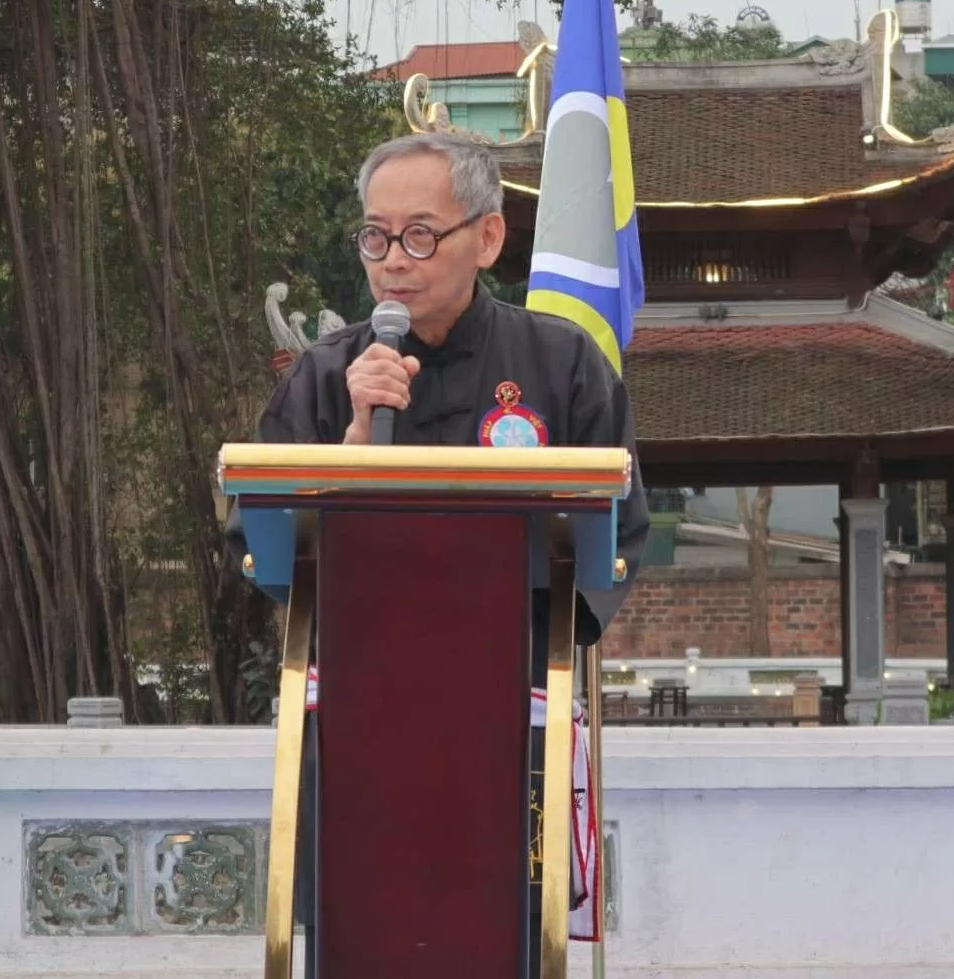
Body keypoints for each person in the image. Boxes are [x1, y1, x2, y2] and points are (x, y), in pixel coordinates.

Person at [238, 130, 648, 971]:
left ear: (486, 238)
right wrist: (354, 444)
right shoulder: (323, 375)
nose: (394, 260)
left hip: (506, 726)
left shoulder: (562, 364)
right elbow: (259, 546)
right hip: (357, 726)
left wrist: (531, 640)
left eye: (420, 235)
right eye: (375, 236)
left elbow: (619, 537)